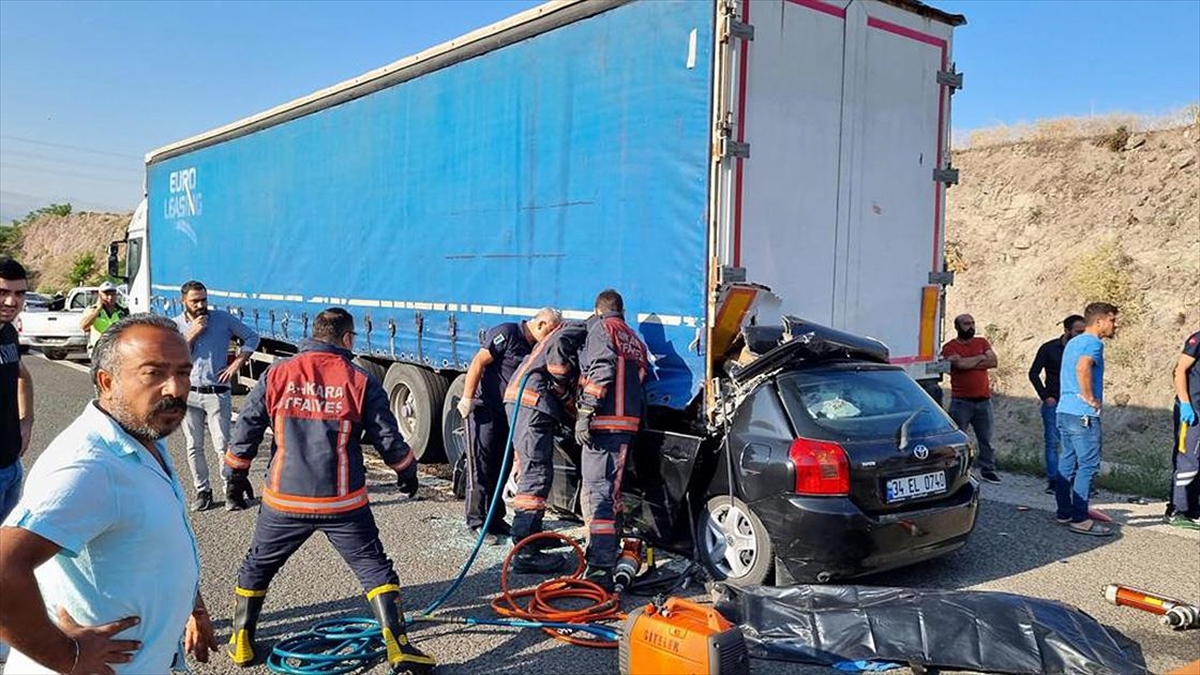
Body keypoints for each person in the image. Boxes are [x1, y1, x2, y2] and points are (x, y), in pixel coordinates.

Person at [0, 314, 218, 674]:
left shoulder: (141, 438)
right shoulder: (89, 466)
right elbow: (4, 567)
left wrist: (193, 608)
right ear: (107, 381)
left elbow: (157, 546)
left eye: (183, 372)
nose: (176, 388)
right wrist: (64, 656)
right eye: (155, 373)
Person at [221, 308, 434, 674]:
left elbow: (247, 430)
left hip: (284, 500)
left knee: (258, 565)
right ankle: (398, 645)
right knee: (374, 568)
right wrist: (406, 472)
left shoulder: (276, 373)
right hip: (343, 502)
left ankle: (241, 639)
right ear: (348, 339)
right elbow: (387, 437)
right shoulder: (360, 379)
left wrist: (235, 477)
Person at [456, 308, 562, 545]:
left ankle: (495, 518)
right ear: (542, 324)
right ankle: (477, 522)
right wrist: (467, 397)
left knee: (499, 469)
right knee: (480, 467)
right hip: (484, 411)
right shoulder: (507, 333)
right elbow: (478, 362)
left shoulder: (534, 348)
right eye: (552, 330)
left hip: (508, 416)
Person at [574, 289, 649, 589]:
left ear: (598, 309)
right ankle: (609, 551)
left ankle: (600, 567)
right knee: (611, 491)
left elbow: (602, 369)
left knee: (598, 494)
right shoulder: (634, 339)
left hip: (603, 424)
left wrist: (585, 412)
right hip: (626, 425)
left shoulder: (601, 329)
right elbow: (640, 376)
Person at [503, 319, 587, 574]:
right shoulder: (582, 329)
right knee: (536, 473)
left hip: (523, 401)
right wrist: (567, 398)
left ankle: (531, 536)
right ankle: (525, 552)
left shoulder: (564, 330)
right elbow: (558, 365)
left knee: (536, 469)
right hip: (532, 402)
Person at [173, 279, 260, 511]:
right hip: (188, 394)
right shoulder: (175, 326)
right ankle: (203, 491)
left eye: (204, 300)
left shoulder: (223, 319)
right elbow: (171, 356)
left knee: (222, 445)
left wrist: (237, 364)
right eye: (195, 301)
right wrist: (192, 334)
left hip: (217, 393)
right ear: (183, 301)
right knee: (193, 445)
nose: (201, 305)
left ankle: (230, 491)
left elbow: (252, 337)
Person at [1054, 302, 1119, 537]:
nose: (1114, 325)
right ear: (1099, 321)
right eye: (1112, 320)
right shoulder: (1093, 342)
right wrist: (1091, 398)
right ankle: (1080, 518)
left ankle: (1064, 512)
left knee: (1068, 462)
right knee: (1088, 466)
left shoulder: (1073, 342)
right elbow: (1083, 368)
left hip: (1065, 411)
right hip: (1083, 414)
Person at [0, 257, 34, 666]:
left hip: (10, 465)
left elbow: (23, 374)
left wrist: (27, 420)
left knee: (9, 556)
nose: (11, 301)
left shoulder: (8, 333)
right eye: (4, 293)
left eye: (19, 294)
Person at [1028, 314, 1086, 494]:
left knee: (1077, 442)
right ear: (1067, 331)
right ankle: (1054, 480)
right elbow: (1033, 373)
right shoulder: (1049, 348)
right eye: (1078, 331)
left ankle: (1078, 480)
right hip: (1054, 401)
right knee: (1053, 442)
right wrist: (1045, 396)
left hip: (1076, 402)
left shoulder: (1084, 349)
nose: (1081, 335)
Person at [941, 314, 1001, 483]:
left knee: (986, 439)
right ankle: (957, 469)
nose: (971, 326)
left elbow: (993, 361)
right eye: (966, 324)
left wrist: (971, 362)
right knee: (958, 438)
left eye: (972, 323)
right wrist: (981, 358)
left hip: (983, 400)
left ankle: (988, 469)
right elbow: (960, 365)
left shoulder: (981, 342)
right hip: (962, 401)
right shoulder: (950, 347)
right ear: (957, 327)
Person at [1166, 328, 1200, 529]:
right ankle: (1176, 510)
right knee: (1188, 460)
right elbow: (1179, 370)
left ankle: (1192, 508)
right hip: (1192, 410)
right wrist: (1185, 403)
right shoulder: (1198, 339)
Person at [79, 280, 129, 355]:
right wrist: (97, 310)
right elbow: (84, 326)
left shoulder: (122, 311)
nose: (110, 297)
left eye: (113, 294)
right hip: (98, 349)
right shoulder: (92, 310)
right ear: (100, 295)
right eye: (106, 294)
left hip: (116, 349)